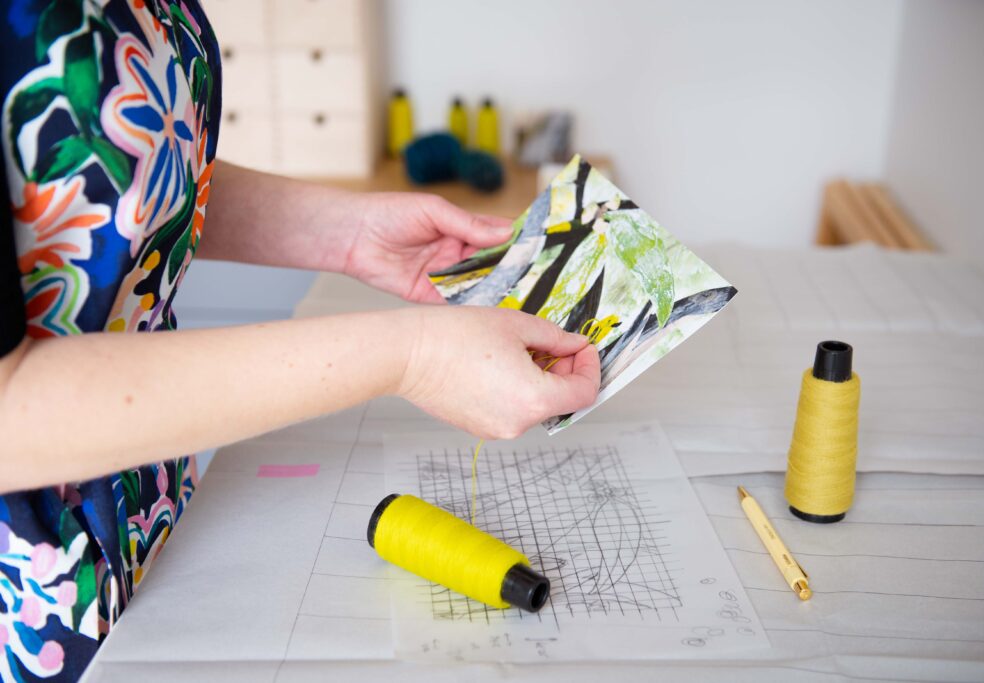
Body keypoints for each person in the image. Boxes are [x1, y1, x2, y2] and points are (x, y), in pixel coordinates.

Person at [0, 1, 599, 679]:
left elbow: (98, 181)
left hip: (154, 500)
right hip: (41, 600)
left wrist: (344, 233)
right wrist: (414, 356)